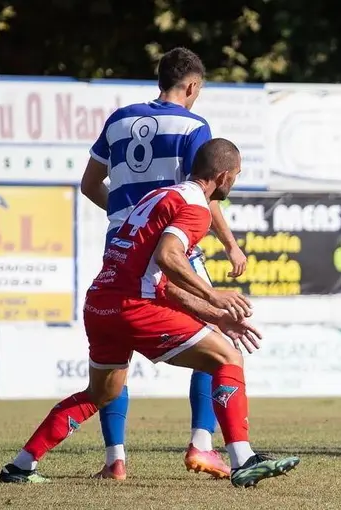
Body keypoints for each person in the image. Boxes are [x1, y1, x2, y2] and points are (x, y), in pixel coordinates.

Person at [0, 138, 300, 488]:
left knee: (101, 393)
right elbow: (169, 259)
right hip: (133, 307)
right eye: (236, 175)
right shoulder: (197, 208)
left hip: (100, 303)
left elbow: (160, 282)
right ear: (222, 176)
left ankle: (21, 465)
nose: (235, 181)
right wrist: (214, 296)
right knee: (227, 358)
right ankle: (243, 458)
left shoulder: (159, 196)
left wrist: (214, 315)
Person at [78, 47, 250, 480]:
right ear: (192, 86)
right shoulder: (193, 125)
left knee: (115, 352)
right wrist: (230, 244)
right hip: (173, 247)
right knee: (218, 344)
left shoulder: (119, 119)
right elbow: (202, 191)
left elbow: (89, 183)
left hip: (119, 246)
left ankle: (115, 457)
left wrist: (127, 221)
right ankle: (202, 444)